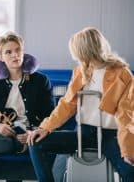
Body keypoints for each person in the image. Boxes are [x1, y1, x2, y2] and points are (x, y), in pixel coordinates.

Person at [27, 27, 134, 182]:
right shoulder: (80, 71)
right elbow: (66, 104)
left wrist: (128, 148)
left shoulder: (122, 73)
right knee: (35, 143)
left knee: (130, 171)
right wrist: (45, 128)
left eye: (77, 52)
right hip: (83, 132)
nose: (76, 57)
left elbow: (127, 114)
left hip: (111, 136)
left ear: (87, 50)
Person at [0, 31, 55, 182]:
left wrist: (33, 132)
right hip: (5, 138)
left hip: (32, 138)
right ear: (1, 57)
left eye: (18, 50)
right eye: (8, 52)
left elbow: (50, 114)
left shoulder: (41, 81)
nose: (15, 55)